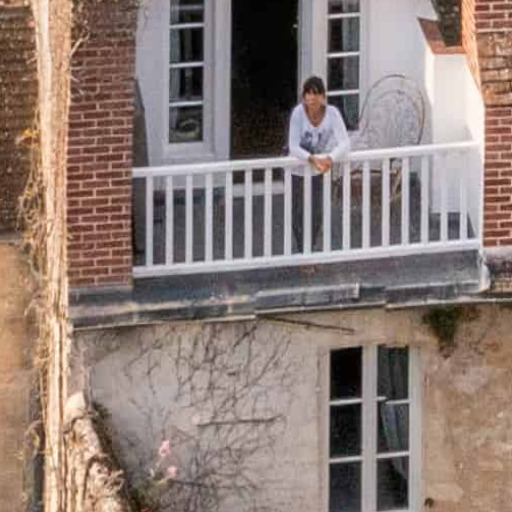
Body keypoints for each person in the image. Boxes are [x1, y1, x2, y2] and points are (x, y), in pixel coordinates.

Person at [288, 76, 350, 252]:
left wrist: (330, 158)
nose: (312, 100)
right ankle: (303, 251)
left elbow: (345, 142)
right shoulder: (298, 113)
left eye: (316, 95)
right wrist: (312, 158)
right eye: (308, 95)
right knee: (298, 213)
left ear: (323, 97)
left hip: (318, 170)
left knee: (316, 213)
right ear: (304, 98)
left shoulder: (332, 113)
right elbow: (293, 146)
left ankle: (310, 248)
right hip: (297, 170)